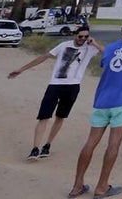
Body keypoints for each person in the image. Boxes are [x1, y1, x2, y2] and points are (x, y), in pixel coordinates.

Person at [67, 15, 122, 199]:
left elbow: (107, 65)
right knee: (114, 144)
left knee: (91, 142)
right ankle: (102, 186)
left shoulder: (111, 48)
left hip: (103, 99)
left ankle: (77, 185)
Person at [8, 25, 103, 161]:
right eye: (80, 36)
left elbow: (107, 52)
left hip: (73, 87)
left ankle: (47, 145)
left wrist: (94, 43)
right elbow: (44, 57)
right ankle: (35, 149)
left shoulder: (90, 48)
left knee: (60, 117)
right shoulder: (64, 45)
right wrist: (21, 69)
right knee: (44, 116)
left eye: (86, 36)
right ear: (74, 35)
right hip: (55, 85)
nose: (82, 39)